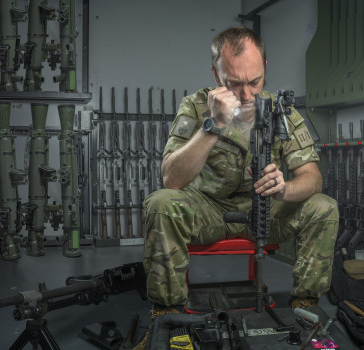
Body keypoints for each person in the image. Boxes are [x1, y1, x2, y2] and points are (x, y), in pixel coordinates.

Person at [135, 25, 338, 349]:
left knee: (324, 206)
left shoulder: (280, 111)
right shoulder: (195, 105)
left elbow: (313, 178)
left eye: (254, 81)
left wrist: (284, 188)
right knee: (161, 203)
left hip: (266, 209)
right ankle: (167, 318)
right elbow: (171, 179)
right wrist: (212, 126)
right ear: (216, 74)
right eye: (234, 83)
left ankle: (306, 310)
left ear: (265, 69)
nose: (246, 95)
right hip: (207, 210)